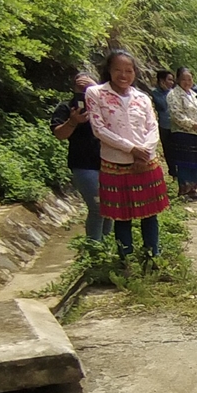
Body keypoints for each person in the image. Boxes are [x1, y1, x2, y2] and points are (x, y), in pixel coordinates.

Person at [85, 50, 168, 259]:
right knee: (122, 217)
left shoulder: (142, 98)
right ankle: (126, 259)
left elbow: (152, 127)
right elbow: (99, 129)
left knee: (150, 215)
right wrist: (131, 149)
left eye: (128, 70)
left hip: (146, 161)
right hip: (116, 163)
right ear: (109, 71)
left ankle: (153, 255)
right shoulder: (96, 94)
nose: (123, 75)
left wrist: (145, 152)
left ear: (135, 72)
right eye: (118, 70)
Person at [50, 72, 112, 241]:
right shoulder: (66, 107)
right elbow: (59, 134)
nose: (84, 90)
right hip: (83, 165)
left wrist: (95, 91)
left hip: (109, 162)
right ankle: (94, 250)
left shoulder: (104, 104)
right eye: (80, 87)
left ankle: (106, 247)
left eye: (88, 86)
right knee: (98, 207)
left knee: (111, 209)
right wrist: (73, 121)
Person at [167, 67, 197, 202]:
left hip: (196, 134)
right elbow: (177, 115)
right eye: (184, 79)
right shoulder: (173, 95)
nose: (187, 82)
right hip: (183, 133)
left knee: (195, 163)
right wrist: (192, 124)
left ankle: (193, 189)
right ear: (178, 80)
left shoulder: (192, 95)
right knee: (184, 163)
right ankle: (184, 191)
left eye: (189, 79)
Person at [151, 70, 175, 170]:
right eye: (169, 80)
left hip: (175, 125)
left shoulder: (173, 92)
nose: (171, 82)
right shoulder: (155, 93)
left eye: (172, 80)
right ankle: (173, 171)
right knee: (168, 150)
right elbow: (164, 106)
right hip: (164, 125)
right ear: (162, 80)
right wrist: (165, 92)